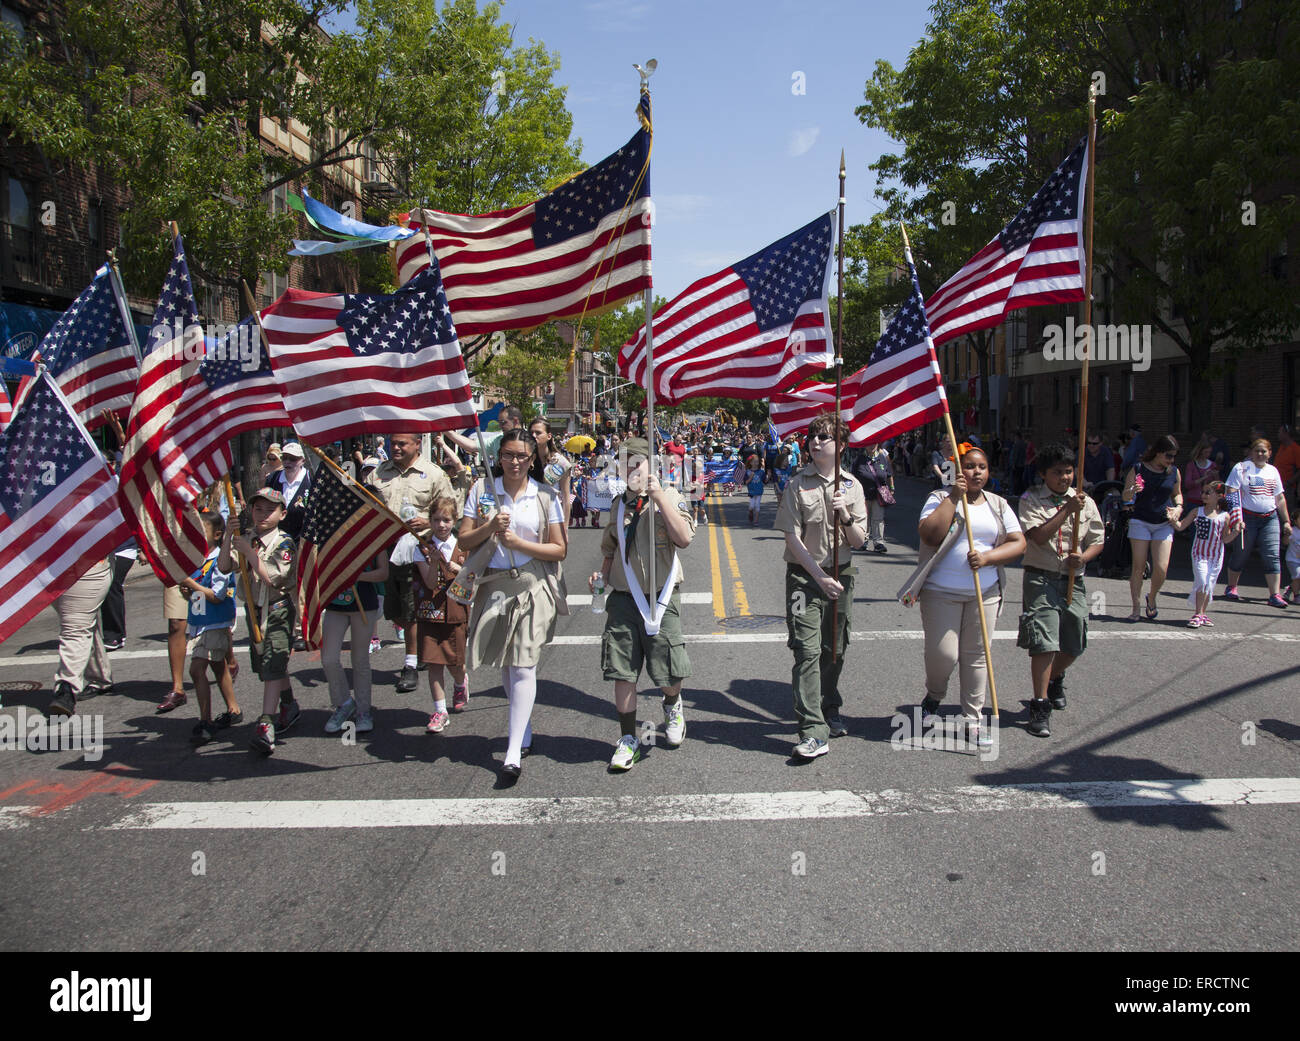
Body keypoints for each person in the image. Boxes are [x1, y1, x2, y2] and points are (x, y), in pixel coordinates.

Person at [899, 443, 1025, 748]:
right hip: (941, 592)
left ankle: (973, 719)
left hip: (985, 593)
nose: (975, 472)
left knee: (977, 657)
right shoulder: (939, 498)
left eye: (981, 467)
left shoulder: (997, 504)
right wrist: (954, 496)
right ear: (957, 469)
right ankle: (934, 694)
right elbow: (929, 534)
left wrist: (989, 558)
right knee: (943, 655)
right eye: (969, 466)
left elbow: (1019, 542)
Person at [459, 429, 567, 783]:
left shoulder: (545, 496)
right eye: (508, 455)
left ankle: (511, 752)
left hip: (532, 585)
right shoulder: (481, 490)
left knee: (523, 664)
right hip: (494, 585)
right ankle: (524, 726)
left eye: (522, 455)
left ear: (532, 458)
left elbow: (558, 549)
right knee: (506, 665)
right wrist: (490, 526)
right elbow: (464, 539)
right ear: (498, 456)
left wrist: (519, 541)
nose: (515, 462)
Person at [590, 437, 696, 771]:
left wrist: (659, 497)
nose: (632, 469)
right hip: (624, 599)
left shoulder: (672, 497)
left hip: (661, 599)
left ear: (653, 464)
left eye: (639, 462)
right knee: (623, 671)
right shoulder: (619, 505)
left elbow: (684, 538)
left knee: (667, 671)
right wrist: (601, 577)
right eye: (626, 463)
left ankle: (672, 703)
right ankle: (628, 738)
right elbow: (611, 547)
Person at [774, 413, 868, 759]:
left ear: (841, 446)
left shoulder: (853, 487)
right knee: (806, 651)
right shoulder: (797, 485)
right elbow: (791, 538)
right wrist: (819, 577)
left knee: (835, 648)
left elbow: (858, 541)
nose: (815, 442)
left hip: (841, 577)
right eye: (812, 436)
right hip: (804, 579)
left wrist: (844, 514)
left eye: (824, 437)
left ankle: (830, 704)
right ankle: (812, 730)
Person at [1016, 443, 1105, 737]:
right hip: (1040, 579)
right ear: (1043, 474)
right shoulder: (1031, 499)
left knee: (1075, 640)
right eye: (1057, 473)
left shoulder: (1085, 502)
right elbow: (1039, 537)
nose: (1064, 478)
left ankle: (1055, 678)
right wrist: (1066, 510)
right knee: (1044, 643)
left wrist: (1085, 557)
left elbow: (1097, 539)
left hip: (1071, 580)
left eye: (1068, 471)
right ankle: (1039, 705)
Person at [367, 432, 454, 693]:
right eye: (392, 443)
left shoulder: (434, 474)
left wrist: (430, 521)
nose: (395, 447)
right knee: (395, 610)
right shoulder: (378, 473)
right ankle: (420, 649)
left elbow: (450, 508)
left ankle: (410, 663)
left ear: (417, 444)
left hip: (420, 551)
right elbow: (366, 504)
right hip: (386, 550)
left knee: (411, 608)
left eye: (402, 443)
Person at [232, 488, 299, 754]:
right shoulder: (247, 537)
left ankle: (265, 724)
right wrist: (230, 537)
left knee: (273, 662)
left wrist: (249, 553)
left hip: (277, 609)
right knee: (266, 665)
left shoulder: (284, 543)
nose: (262, 514)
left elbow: (273, 577)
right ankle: (289, 704)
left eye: (269, 510)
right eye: (258, 509)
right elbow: (226, 566)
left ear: (282, 514)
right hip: (253, 607)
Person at [181, 512, 241, 744]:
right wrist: (187, 592)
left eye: (200, 530)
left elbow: (216, 595)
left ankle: (205, 720)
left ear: (217, 534)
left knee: (197, 670)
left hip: (215, 623)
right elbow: (196, 596)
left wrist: (190, 584)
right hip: (199, 622)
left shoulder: (218, 560)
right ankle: (233, 709)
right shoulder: (197, 560)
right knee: (218, 667)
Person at [413, 497, 469, 731]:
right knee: (434, 663)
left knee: (455, 662)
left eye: (446, 520)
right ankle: (439, 710)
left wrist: (462, 570)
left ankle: (460, 682)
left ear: (454, 520)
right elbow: (427, 581)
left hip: (456, 612)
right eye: (436, 520)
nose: (441, 525)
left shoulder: (464, 547)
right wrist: (435, 563)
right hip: (430, 612)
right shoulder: (422, 548)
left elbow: (474, 581)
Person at [320, 550, 388, 736]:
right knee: (329, 659)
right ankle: (344, 703)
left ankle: (363, 711)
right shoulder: (331, 538)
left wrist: (357, 575)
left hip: (364, 604)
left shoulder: (373, 539)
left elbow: (383, 573)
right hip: (335, 605)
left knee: (360, 660)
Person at [1223, 439, 1293, 607]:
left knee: (1272, 556)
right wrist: (1236, 517)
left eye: (1264, 451)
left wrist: (1286, 521)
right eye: (1257, 451)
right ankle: (1232, 586)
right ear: (1251, 452)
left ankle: (1274, 594)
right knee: (1241, 552)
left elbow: (1280, 498)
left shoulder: (1273, 471)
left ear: (1270, 453)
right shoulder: (1241, 468)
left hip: (1270, 518)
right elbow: (1231, 491)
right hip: (1247, 517)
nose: (1260, 454)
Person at [1123, 436, 1183, 622]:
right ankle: (1136, 607)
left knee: (1161, 568)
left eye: (1174, 456)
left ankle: (1152, 597)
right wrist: (1132, 490)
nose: (1171, 460)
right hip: (1140, 520)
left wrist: (1178, 508)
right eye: (1168, 456)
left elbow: (1178, 494)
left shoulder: (1173, 472)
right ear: (1158, 453)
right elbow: (1125, 495)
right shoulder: (1139, 469)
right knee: (1139, 566)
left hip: (1163, 522)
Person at [46, 558, 115, 718]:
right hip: (52, 567)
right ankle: (101, 677)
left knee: (75, 627)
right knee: (82, 622)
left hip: (90, 565)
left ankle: (66, 689)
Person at [1173, 481, 1240, 628]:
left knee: (1209, 585)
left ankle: (1202, 614)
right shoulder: (1197, 511)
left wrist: (1236, 531)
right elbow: (1181, 526)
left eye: (1207, 492)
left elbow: (1225, 539)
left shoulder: (1225, 516)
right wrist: (1172, 519)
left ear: (1219, 496)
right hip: (1199, 554)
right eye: (1203, 492)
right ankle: (1197, 613)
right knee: (1202, 581)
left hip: (1216, 556)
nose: (1203, 495)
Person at [272, 441, 313, 541]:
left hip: (302, 540)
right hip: (276, 540)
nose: (287, 462)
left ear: (302, 461)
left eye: (293, 459)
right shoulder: (272, 479)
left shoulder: (311, 480)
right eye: (284, 458)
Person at [860, 442, 895, 553]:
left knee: (878, 518)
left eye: (874, 443)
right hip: (863, 494)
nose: (872, 445)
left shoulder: (882, 458)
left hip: (879, 494)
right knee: (864, 518)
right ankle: (862, 541)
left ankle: (878, 543)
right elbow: (854, 475)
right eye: (870, 443)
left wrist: (892, 487)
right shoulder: (860, 459)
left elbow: (889, 474)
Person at [1182, 435, 1219, 510]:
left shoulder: (1212, 465)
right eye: (1205, 452)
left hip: (1207, 501)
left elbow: (1218, 485)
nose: (1208, 455)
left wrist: (1216, 476)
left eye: (1209, 452)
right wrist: (1203, 478)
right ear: (1200, 451)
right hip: (1193, 500)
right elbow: (1187, 484)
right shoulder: (1191, 465)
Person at [744, 458, 765, 526]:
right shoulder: (747, 472)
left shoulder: (761, 472)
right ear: (750, 463)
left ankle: (756, 521)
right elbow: (746, 482)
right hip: (752, 491)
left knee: (757, 506)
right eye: (754, 462)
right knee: (751, 506)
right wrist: (750, 477)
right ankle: (750, 512)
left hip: (759, 491)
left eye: (757, 462)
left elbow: (764, 481)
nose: (756, 463)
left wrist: (768, 476)